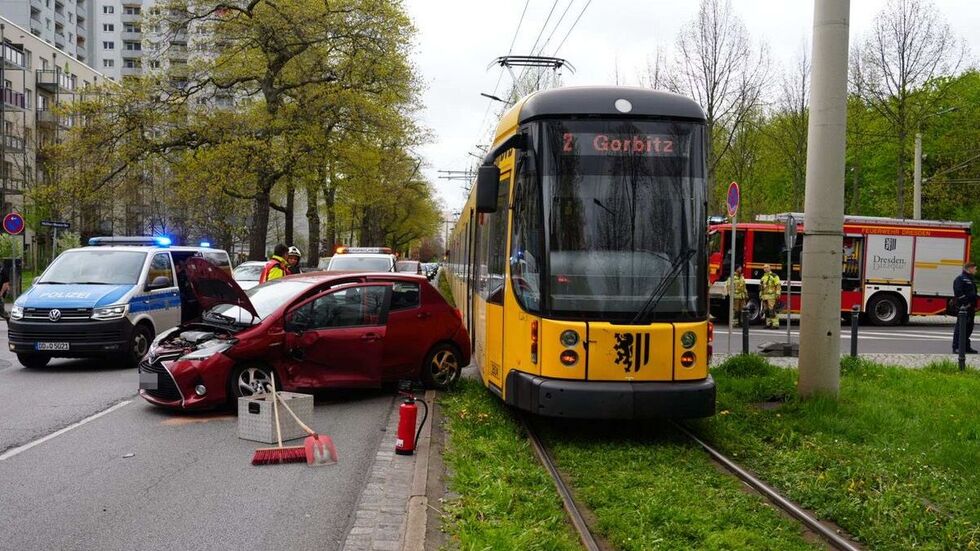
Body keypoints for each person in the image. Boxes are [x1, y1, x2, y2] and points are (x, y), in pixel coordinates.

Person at [952, 261, 977, 354]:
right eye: (975, 269)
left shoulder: (970, 279)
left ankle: (966, 347)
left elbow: (972, 293)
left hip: (971, 308)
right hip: (964, 307)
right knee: (961, 327)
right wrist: (966, 303)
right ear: (970, 268)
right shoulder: (960, 279)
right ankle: (957, 347)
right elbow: (958, 292)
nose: (976, 271)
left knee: (969, 328)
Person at [760, 264, 782, 329]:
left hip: (771, 296)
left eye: (767, 267)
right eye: (764, 268)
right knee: (766, 311)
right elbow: (761, 288)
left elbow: (778, 285)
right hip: (764, 296)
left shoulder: (774, 276)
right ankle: (768, 323)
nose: (765, 269)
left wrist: (778, 293)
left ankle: (775, 324)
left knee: (772, 310)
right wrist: (760, 295)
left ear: (770, 268)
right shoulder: (763, 277)